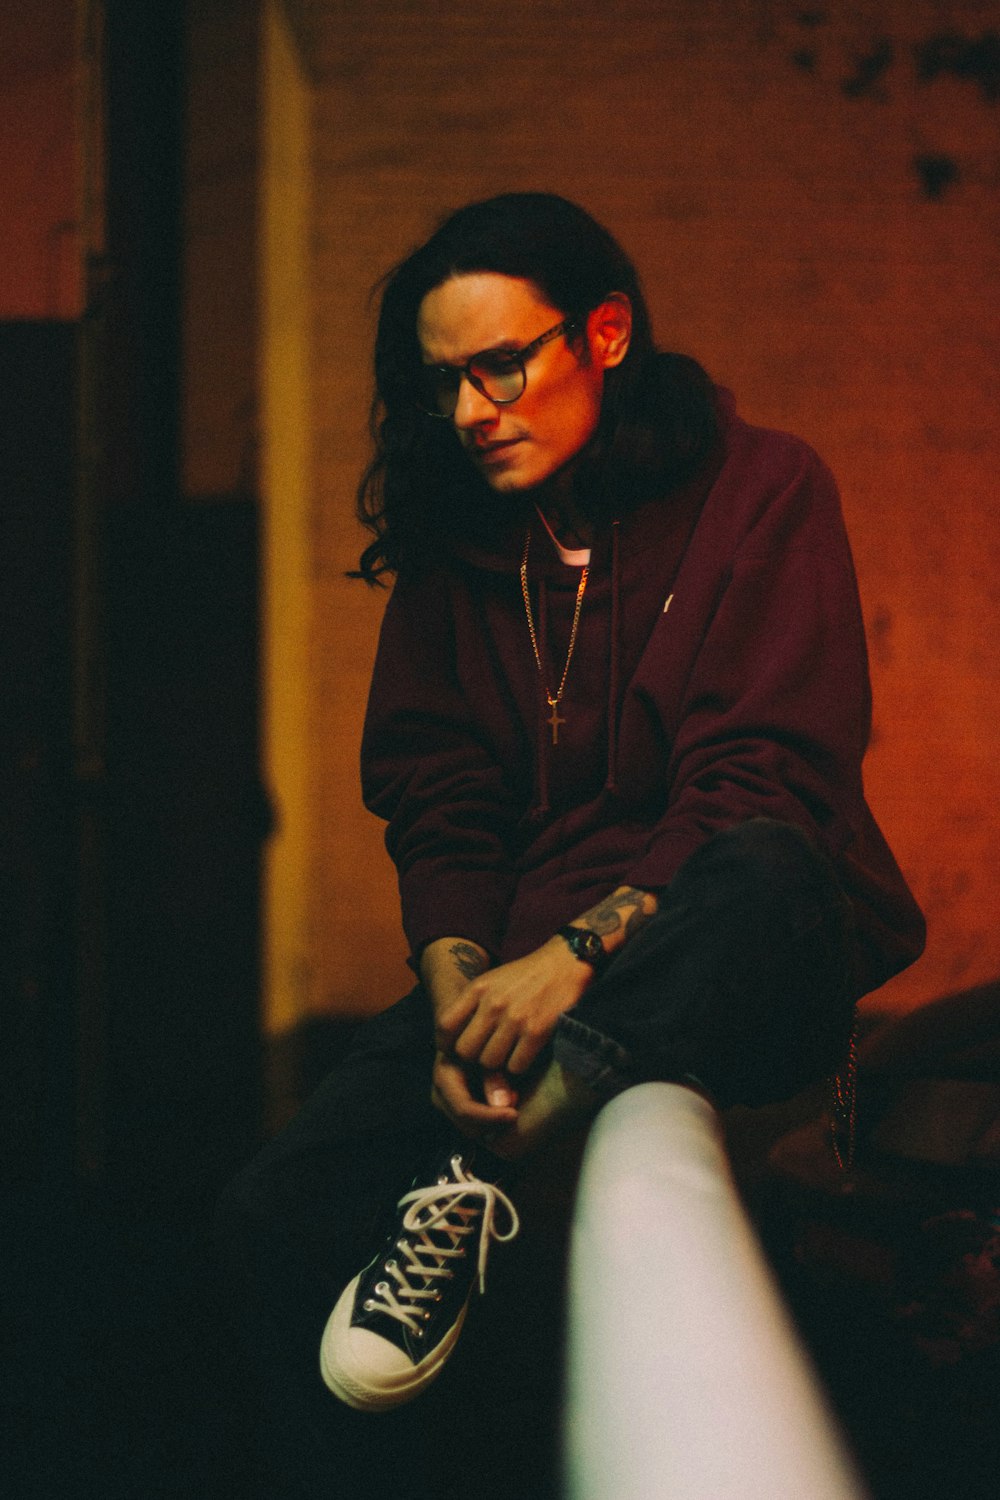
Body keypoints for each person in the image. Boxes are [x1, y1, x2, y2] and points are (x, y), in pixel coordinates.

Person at [218, 193, 924, 1496]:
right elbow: (440, 792)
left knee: (769, 864)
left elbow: (764, 773)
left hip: (732, 941)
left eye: (503, 365)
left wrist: (569, 962)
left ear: (605, 335)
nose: (474, 410)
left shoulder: (765, 487)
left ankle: (483, 1157)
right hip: (528, 960)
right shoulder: (461, 535)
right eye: (444, 384)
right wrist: (453, 981)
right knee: (271, 1212)